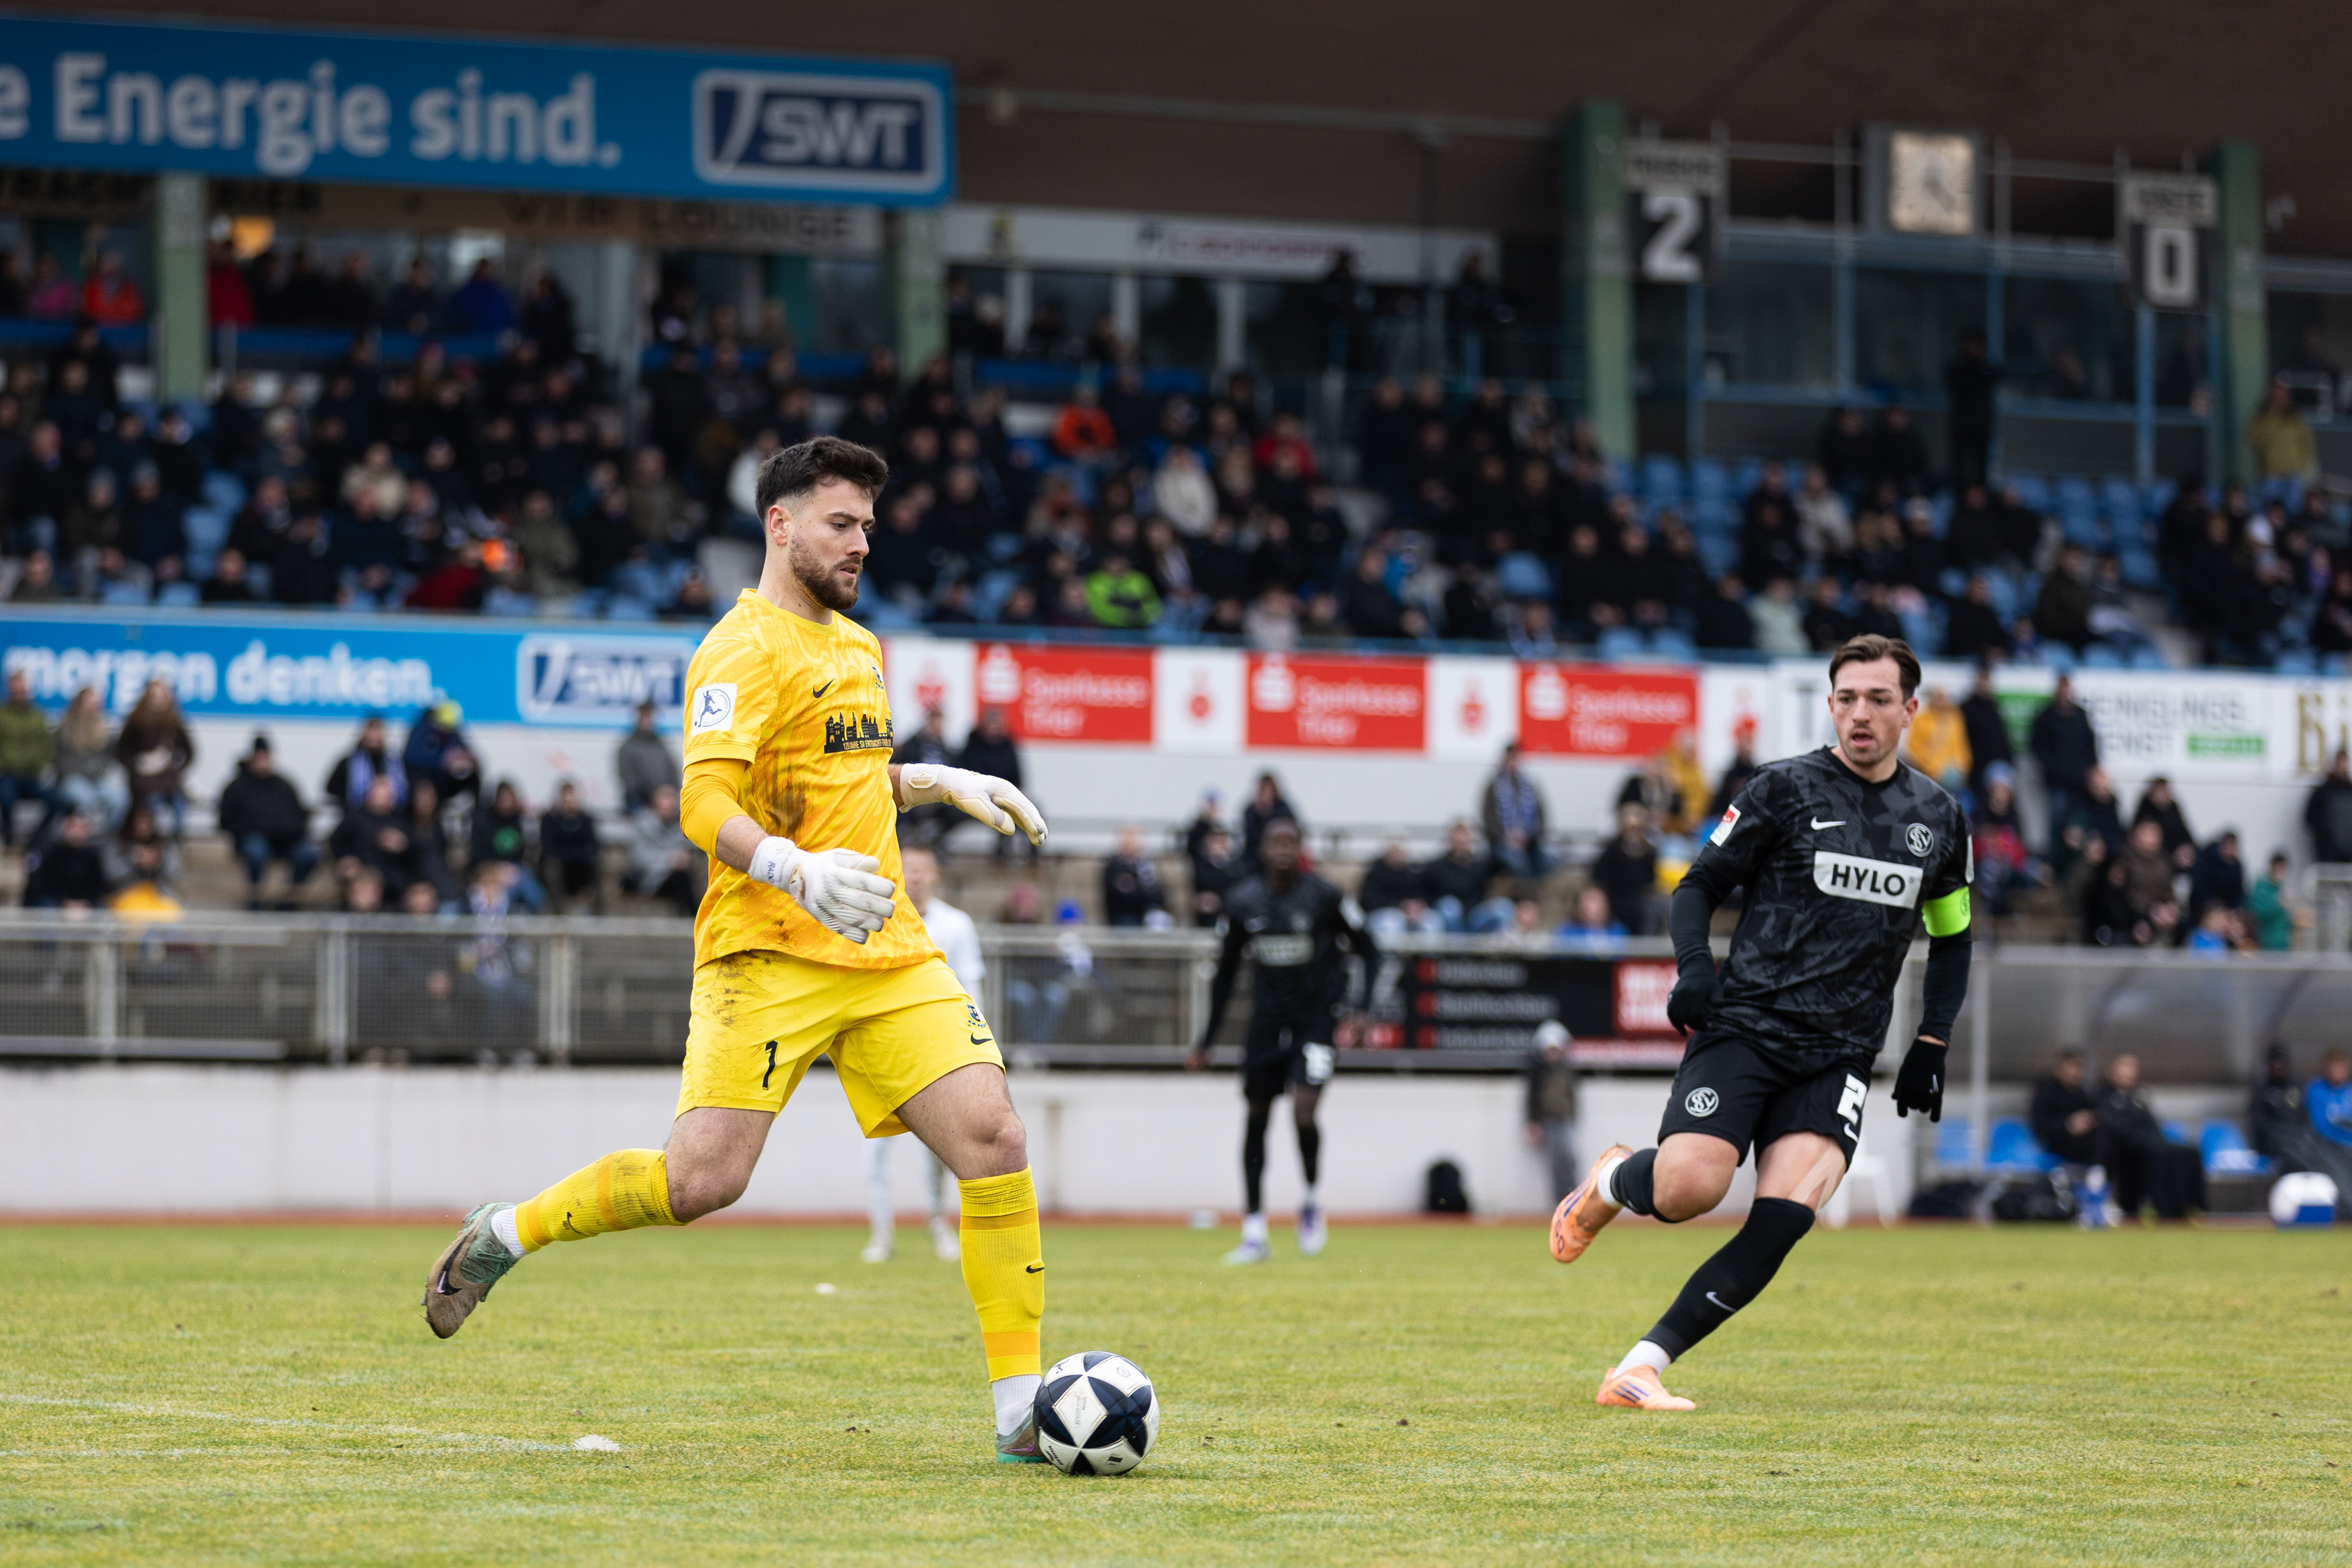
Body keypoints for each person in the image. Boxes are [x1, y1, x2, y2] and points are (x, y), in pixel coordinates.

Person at [418, 435, 1060, 1465]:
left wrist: (933, 781)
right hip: (765, 951)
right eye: (841, 524)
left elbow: (845, 774)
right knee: (701, 1182)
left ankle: (1019, 1413)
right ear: (780, 524)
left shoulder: (862, 646)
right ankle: (506, 1233)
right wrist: (793, 869)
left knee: (994, 1137)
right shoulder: (739, 649)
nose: (861, 543)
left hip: (885, 950)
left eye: (867, 525)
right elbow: (702, 800)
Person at [1552, 634, 1970, 1411]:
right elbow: (1697, 886)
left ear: (1911, 709)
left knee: (1783, 1219)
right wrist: (1694, 968)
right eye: (1847, 698)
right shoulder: (1784, 788)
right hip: (1747, 1028)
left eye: (1879, 699)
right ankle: (1612, 1179)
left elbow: (1953, 939)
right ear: (1831, 705)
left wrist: (1932, 1039)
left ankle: (1640, 1367)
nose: (1861, 713)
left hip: (1840, 1052)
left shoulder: (1939, 818)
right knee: (1687, 1189)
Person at [1186, 818, 1375, 1267]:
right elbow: (1226, 974)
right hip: (1267, 1023)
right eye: (1277, 842)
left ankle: (1310, 1200)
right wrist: (1206, 1040)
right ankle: (1254, 1230)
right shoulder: (1243, 901)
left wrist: (1361, 1008)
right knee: (1256, 1118)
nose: (1285, 850)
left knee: (1304, 1113)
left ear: (1302, 848)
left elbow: (1371, 948)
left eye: (1292, 842)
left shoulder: (1326, 896)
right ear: (1264, 849)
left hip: (1316, 1021)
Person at [862, 846, 975, 1266]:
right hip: (884, 1049)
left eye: (925, 869)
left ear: (936, 874)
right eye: (910, 868)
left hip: (936, 1051)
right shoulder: (877, 915)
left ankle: (939, 1225)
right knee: (876, 1148)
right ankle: (881, 1234)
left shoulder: (957, 925)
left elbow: (971, 987)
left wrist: (976, 1045)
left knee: (939, 1150)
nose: (918, 876)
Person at [2094, 1053, 2206, 1219]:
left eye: (2132, 1070)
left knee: (2191, 1152)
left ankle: (2189, 1205)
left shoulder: (2139, 1097)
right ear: (2113, 1073)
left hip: (2152, 1141)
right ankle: (2164, 1208)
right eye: (2124, 1069)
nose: (2129, 1074)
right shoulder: (2103, 1096)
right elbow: (2115, 1128)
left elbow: (2153, 1125)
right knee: (2159, 1153)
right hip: (2129, 1146)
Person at [217, 737, 319, 908]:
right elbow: (226, 819)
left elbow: (299, 814)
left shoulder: (284, 786)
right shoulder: (237, 787)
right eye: (260, 758)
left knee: (309, 855)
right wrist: (256, 828)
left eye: (266, 758)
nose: (264, 763)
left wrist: (289, 830)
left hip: (286, 840)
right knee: (257, 851)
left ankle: (290, 898)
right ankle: (255, 898)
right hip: (253, 839)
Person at [114, 678, 193, 836]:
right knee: (150, 813)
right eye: (154, 696)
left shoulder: (175, 723)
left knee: (179, 808)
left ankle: (176, 843)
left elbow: (189, 752)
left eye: (162, 696)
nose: (158, 701)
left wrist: (176, 768)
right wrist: (137, 765)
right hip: (145, 785)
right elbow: (121, 751)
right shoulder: (136, 722)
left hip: (169, 783)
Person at [2029, 677, 2098, 851]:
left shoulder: (2080, 715)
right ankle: (2054, 856)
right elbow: (2038, 747)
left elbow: (2090, 746)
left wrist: (2090, 770)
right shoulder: (2046, 717)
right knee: (2057, 821)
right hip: (2056, 782)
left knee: (2079, 822)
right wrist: (2053, 769)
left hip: (2080, 783)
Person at [1524, 1020, 1581, 1205]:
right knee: (1557, 1162)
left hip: (1565, 1121)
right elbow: (1533, 1100)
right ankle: (1561, 1200)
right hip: (1549, 1122)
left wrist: (1573, 1118)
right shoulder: (1539, 1074)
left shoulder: (1566, 1072)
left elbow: (1571, 1097)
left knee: (1569, 1160)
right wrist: (1533, 1123)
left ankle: (1572, 1195)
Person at [0, 669, 56, 848]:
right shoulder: (3, 716)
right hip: (8, 774)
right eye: (17, 691)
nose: (21, 695)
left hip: (32, 775)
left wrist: (41, 766)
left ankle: (35, 838)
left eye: (23, 691)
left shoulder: (38, 716)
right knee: (6, 798)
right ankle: (9, 838)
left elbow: (46, 747)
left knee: (57, 802)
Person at [1589, 804, 1662, 936]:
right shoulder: (1611, 850)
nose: (1633, 832)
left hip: (1640, 902)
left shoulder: (1649, 852)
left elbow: (1651, 879)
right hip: (1615, 899)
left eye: (1637, 828)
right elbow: (1599, 876)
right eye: (1629, 828)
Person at [1482, 742, 1550, 881]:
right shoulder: (1494, 787)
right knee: (1518, 862)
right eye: (1510, 759)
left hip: (1529, 843)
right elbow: (1488, 819)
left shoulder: (1530, 786)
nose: (1513, 763)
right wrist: (1506, 837)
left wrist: (1528, 837)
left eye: (1516, 759)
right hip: (1502, 842)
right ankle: (1526, 893)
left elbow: (1541, 817)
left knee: (1548, 862)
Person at [2028, 1050, 2105, 1167]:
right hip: (2056, 1143)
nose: (2077, 1071)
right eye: (2073, 1065)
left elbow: (2094, 1110)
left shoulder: (2080, 1093)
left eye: (2080, 1067)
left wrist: (2090, 1119)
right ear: (2060, 1067)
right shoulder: (2046, 1091)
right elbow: (2040, 1125)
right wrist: (2068, 1125)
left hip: (2083, 1141)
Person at [21, 808, 108, 910]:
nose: (77, 831)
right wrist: (65, 901)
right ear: (66, 828)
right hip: (57, 901)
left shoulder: (93, 855)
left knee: (101, 907)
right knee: (46, 906)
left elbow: (97, 886)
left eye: (82, 828)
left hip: (84, 903)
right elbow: (47, 883)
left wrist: (85, 902)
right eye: (74, 827)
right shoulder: (53, 852)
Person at [537, 782, 602, 913]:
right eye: (566, 801)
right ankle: (558, 912)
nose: (570, 804)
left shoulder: (586, 820)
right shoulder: (550, 820)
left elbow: (592, 846)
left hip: (581, 867)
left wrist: (575, 854)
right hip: (561, 868)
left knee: (601, 863)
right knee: (550, 867)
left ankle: (599, 912)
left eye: (572, 800)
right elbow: (548, 848)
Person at [326, 715, 407, 812]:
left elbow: (403, 791)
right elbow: (332, 788)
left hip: (391, 815)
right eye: (371, 731)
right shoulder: (349, 763)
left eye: (378, 731)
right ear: (364, 734)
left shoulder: (395, 762)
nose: (374, 737)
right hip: (357, 814)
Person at [616, 699, 680, 812]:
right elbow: (629, 781)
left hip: (665, 802)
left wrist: (670, 792)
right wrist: (653, 797)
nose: (647, 720)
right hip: (639, 802)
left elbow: (673, 770)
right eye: (644, 716)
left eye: (650, 716)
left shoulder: (661, 744)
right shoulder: (628, 747)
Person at [1101, 824, 1168, 927]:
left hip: (1149, 912)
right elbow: (1123, 898)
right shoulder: (1114, 867)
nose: (1131, 845)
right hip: (1125, 915)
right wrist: (1144, 894)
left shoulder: (1147, 865)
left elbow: (1159, 894)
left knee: (1161, 922)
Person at [2305, 748, 2352, 865]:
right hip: (2328, 857)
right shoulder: (2323, 792)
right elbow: (2310, 818)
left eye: (2345, 763)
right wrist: (2325, 835)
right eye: (2340, 763)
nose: (2343, 767)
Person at [2248, 853, 2300, 951]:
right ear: (2272, 868)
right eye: (2279, 868)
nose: (2281, 872)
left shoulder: (2282, 888)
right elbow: (2257, 913)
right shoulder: (2262, 889)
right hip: (2268, 941)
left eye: (2283, 869)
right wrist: (2278, 904)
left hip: (2284, 941)